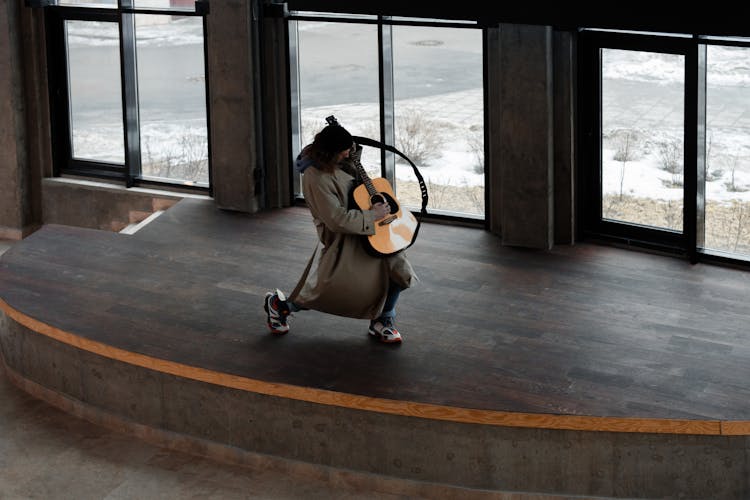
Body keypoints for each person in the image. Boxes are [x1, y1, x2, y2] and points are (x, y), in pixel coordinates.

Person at [264, 120, 416, 344]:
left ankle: (383, 319)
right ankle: (280, 306)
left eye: (348, 151)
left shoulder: (338, 162)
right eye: (343, 152)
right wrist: (372, 216)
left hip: (373, 232)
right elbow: (336, 219)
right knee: (329, 291)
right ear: (330, 152)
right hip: (346, 239)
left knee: (400, 274)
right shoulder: (315, 178)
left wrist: (354, 155)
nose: (347, 156)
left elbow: (356, 186)